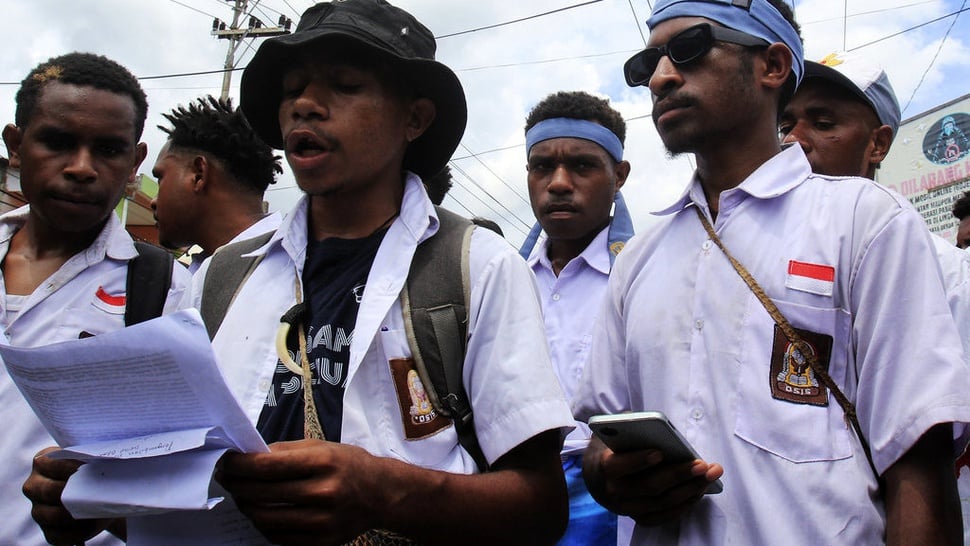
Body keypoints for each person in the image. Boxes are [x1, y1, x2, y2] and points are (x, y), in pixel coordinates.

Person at [19, 1, 573, 544]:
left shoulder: (476, 267)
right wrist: (94, 499)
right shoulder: (221, 276)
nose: (305, 104)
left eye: (345, 85)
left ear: (414, 119)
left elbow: (541, 509)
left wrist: (386, 492)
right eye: (291, 91)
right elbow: (172, 480)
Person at [575, 0, 970, 544]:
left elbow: (917, 463)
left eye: (688, 49)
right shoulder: (638, 261)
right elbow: (600, 433)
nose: (662, 78)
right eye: (648, 65)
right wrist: (612, 476)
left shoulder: (864, 223)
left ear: (773, 66)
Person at [1, 52, 191, 546]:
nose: (82, 168)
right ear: (16, 147)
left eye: (108, 150)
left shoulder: (165, 291)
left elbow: (183, 472)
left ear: (135, 163)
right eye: (58, 142)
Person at [781, 49, 970, 544]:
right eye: (786, 122)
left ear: (878, 143)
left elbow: (934, 443)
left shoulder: (945, 270)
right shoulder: (756, 257)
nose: (794, 141)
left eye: (822, 123)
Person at [518, 90, 634, 546]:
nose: (559, 183)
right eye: (542, 166)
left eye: (583, 165)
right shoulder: (502, 278)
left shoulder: (642, 273)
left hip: (608, 488)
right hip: (512, 483)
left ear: (618, 175)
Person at [151, 95, 283, 273]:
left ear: (199, 175)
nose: (153, 201)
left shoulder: (295, 270)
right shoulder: (187, 277)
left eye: (160, 178)